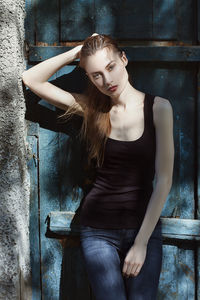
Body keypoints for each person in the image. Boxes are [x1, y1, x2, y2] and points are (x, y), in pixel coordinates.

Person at [22, 33, 174, 300]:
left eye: (111, 67)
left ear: (123, 59)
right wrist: (76, 53)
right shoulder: (92, 109)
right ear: (89, 78)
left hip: (143, 229)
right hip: (99, 232)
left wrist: (140, 244)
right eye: (96, 75)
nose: (107, 80)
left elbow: (164, 180)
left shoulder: (159, 108)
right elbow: (31, 80)